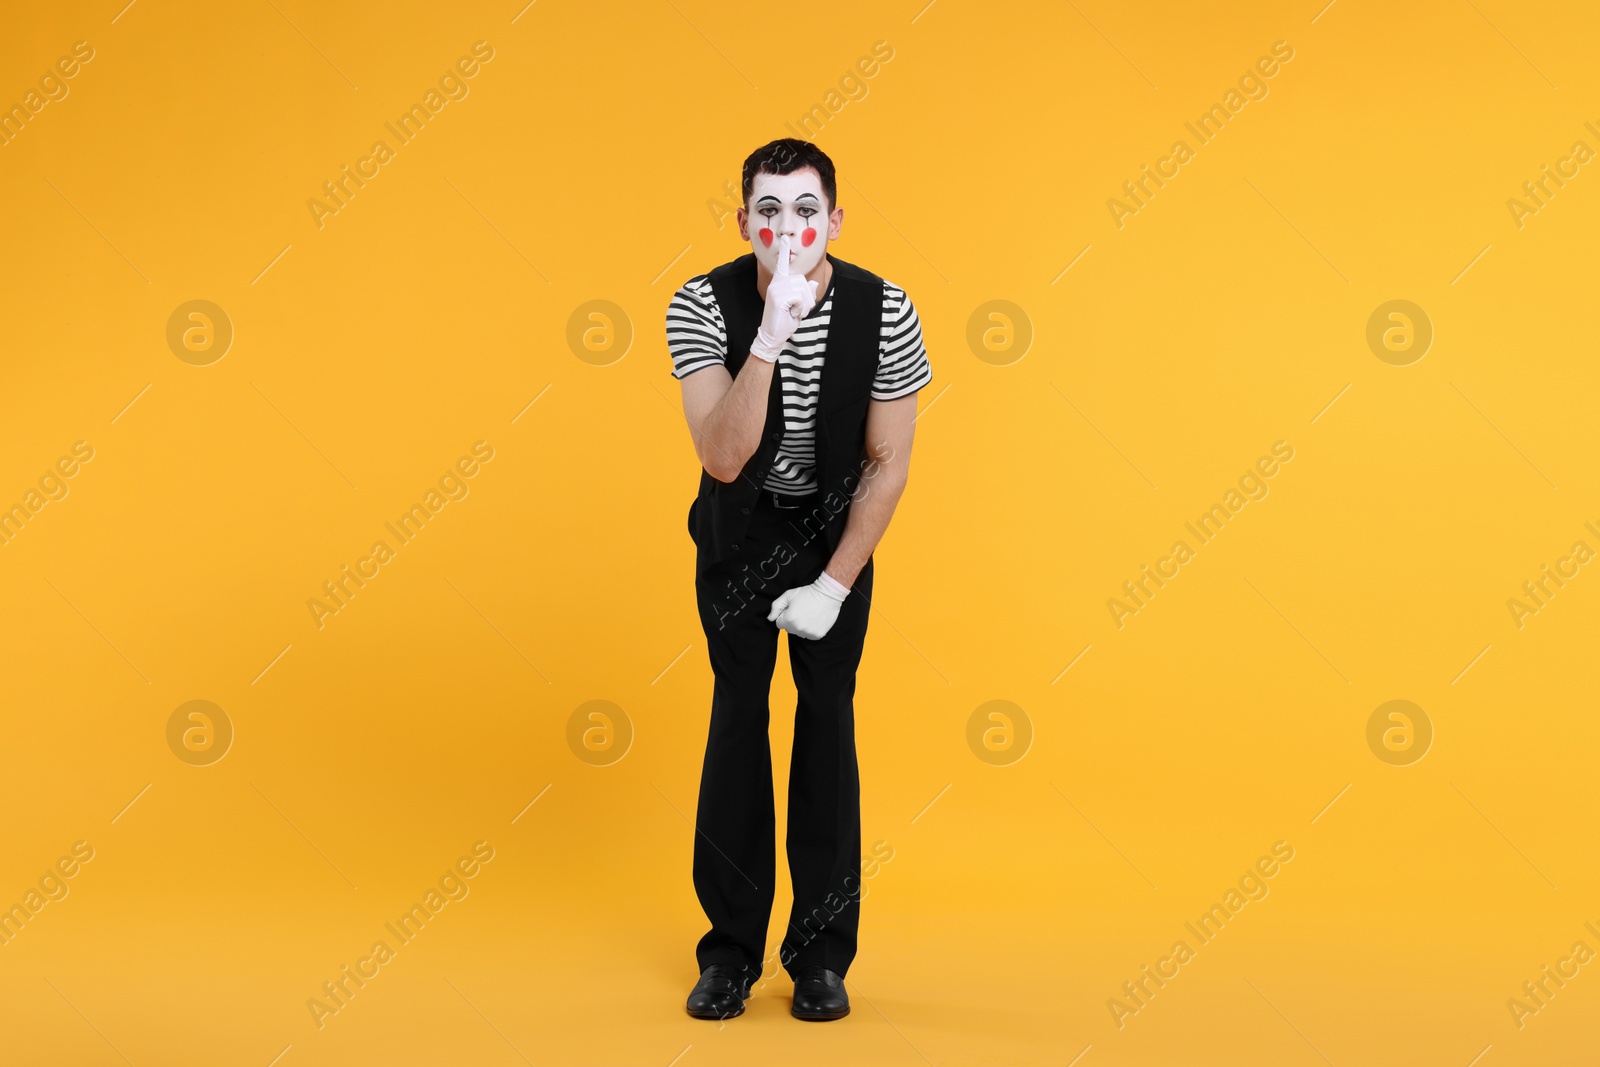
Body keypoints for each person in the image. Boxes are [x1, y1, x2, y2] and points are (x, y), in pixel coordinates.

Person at [665, 138, 931, 1022]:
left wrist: (836, 583)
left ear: (835, 220)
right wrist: (771, 334)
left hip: (835, 528)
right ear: (743, 221)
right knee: (739, 719)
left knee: (828, 722)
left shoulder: (886, 310)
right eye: (768, 212)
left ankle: (819, 956)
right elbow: (724, 455)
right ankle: (730, 953)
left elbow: (888, 462)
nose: (788, 229)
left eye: (806, 210)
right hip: (740, 529)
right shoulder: (699, 305)